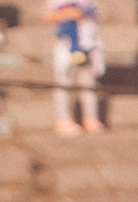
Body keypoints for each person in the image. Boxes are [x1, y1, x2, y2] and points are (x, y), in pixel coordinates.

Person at [51, 0, 107, 133]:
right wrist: (69, 13)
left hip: (88, 44)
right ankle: (63, 119)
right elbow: (50, 15)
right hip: (67, 46)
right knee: (63, 83)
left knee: (88, 83)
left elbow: (96, 16)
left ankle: (90, 117)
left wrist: (89, 13)